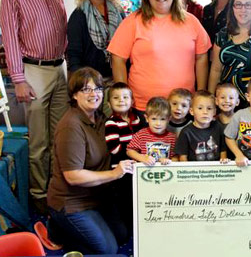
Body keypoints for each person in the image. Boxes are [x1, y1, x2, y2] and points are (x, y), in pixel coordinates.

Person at [0, 0, 68, 213]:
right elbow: (11, 39)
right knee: (39, 142)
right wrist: (18, 79)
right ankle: (40, 196)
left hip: (59, 69)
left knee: (60, 137)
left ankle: (57, 188)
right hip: (33, 71)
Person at [47, 67, 134, 254]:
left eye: (98, 89)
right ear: (75, 95)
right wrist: (114, 173)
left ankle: (69, 230)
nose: (94, 94)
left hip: (97, 198)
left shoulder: (101, 118)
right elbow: (73, 176)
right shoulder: (71, 126)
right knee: (108, 249)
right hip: (72, 202)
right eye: (86, 89)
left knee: (122, 235)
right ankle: (58, 228)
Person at [108, 0, 210, 113]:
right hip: (144, 106)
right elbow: (118, 59)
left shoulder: (191, 21)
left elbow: (202, 57)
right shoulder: (133, 21)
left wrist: (201, 93)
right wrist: (123, 98)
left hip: (183, 106)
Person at [67, 0, 124, 79]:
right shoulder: (78, 15)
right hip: (91, 82)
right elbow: (74, 55)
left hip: (118, 77)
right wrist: (81, 84)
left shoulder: (118, 11)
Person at [105, 82, 143, 232]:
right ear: (109, 103)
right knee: (125, 199)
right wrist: (134, 152)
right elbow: (114, 149)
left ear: (132, 101)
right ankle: (127, 226)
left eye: (125, 97)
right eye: (116, 98)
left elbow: (144, 139)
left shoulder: (137, 119)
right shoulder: (112, 123)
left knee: (138, 198)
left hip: (139, 167)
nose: (121, 100)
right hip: (122, 170)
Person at [175, 90, 227, 162]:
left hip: (216, 170)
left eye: (209, 108)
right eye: (200, 108)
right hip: (194, 171)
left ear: (214, 111)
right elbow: (183, 158)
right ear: (192, 111)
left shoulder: (218, 127)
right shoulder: (186, 132)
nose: (205, 112)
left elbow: (223, 150)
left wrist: (223, 164)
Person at [127, 97, 177, 165]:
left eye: (162, 119)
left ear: (169, 119)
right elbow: (130, 151)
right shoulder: (141, 135)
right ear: (147, 118)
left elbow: (176, 156)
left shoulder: (172, 138)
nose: (158, 123)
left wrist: (169, 161)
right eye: (154, 119)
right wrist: (142, 158)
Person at [215, 83, 240, 159]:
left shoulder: (241, 120)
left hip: (238, 160)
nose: (227, 101)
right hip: (218, 161)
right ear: (216, 101)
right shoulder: (212, 121)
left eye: (231, 98)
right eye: (222, 97)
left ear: (237, 102)